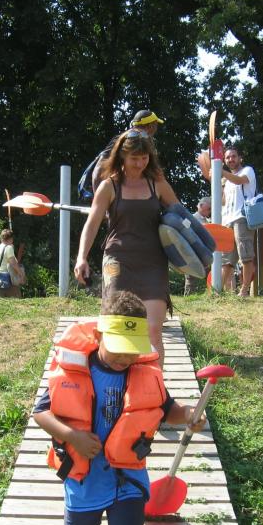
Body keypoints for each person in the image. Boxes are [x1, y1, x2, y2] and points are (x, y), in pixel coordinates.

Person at [32, 290, 206, 525]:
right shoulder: (73, 369)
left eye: (132, 350)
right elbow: (41, 413)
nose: (125, 358)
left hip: (129, 477)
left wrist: (188, 414)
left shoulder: (146, 374)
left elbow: (168, 410)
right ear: (100, 335)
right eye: (118, 349)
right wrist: (72, 436)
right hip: (85, 478)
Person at [74, 129, 180, 366]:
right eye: (134, 158)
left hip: (153, 263)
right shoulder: (108, 186)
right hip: (118, 261)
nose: (140, 164)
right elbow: (92, 224)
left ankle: (155, 385)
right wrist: (82, 257)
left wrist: (195, 249)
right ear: (122, 156)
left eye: (144, 158)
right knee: (116, 326)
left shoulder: (157, 184)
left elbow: (181, 218)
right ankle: (111, 380)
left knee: (153, 330)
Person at [79, 109, 165, 200]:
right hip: (111, 197)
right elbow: (99, 168)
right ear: (150, 126)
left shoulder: (143, 142)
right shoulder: (126, 140)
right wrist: (98, 199)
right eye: (156, 125)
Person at [220, 146, 257, 296]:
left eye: (233, 156)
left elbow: (239, 181)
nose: (231, 159)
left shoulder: (247, 171)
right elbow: (223, 202)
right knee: (227, 259)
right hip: (228, 220)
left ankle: (244, 291)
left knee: (245, 256)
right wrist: (216, 181)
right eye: (227, 157)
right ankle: (218, 291)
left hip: (242, 218)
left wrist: (221, 172)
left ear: (240, 158)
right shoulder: (227, 180)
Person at [183, 196, 211, 295]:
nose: (210, 211)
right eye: (209, 208)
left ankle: (212, 295)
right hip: (192, 252)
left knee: (210, 275)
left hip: (203, 253)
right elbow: (183, 231)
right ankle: (188, 298)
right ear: (201, 206)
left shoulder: (208, 221)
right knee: (191, 277)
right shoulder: (190, 218)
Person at [0, 229, 20, 298]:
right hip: (7, 277)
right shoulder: (9, 248)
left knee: (1, 301)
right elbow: (13, 263)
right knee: (15, 300)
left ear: (1, 238)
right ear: (11, 239)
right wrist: (20, 273)